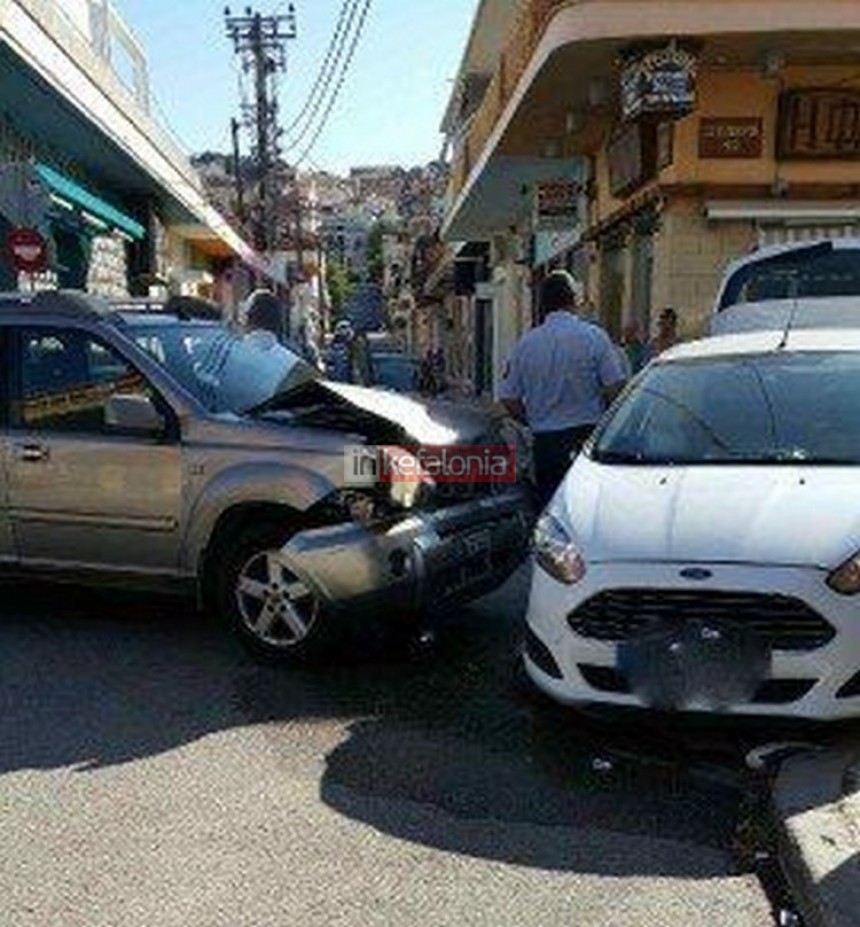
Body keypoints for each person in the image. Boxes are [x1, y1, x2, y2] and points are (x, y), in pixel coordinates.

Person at [499, 270, 627, 506]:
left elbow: (508, 398)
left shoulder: (525, 344)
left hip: (545, 443)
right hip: (586, 439)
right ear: (573, 301)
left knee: (549, 509)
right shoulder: (594, 337)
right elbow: (614, 389)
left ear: (543, 305)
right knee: (585, 507)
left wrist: (531, 419)